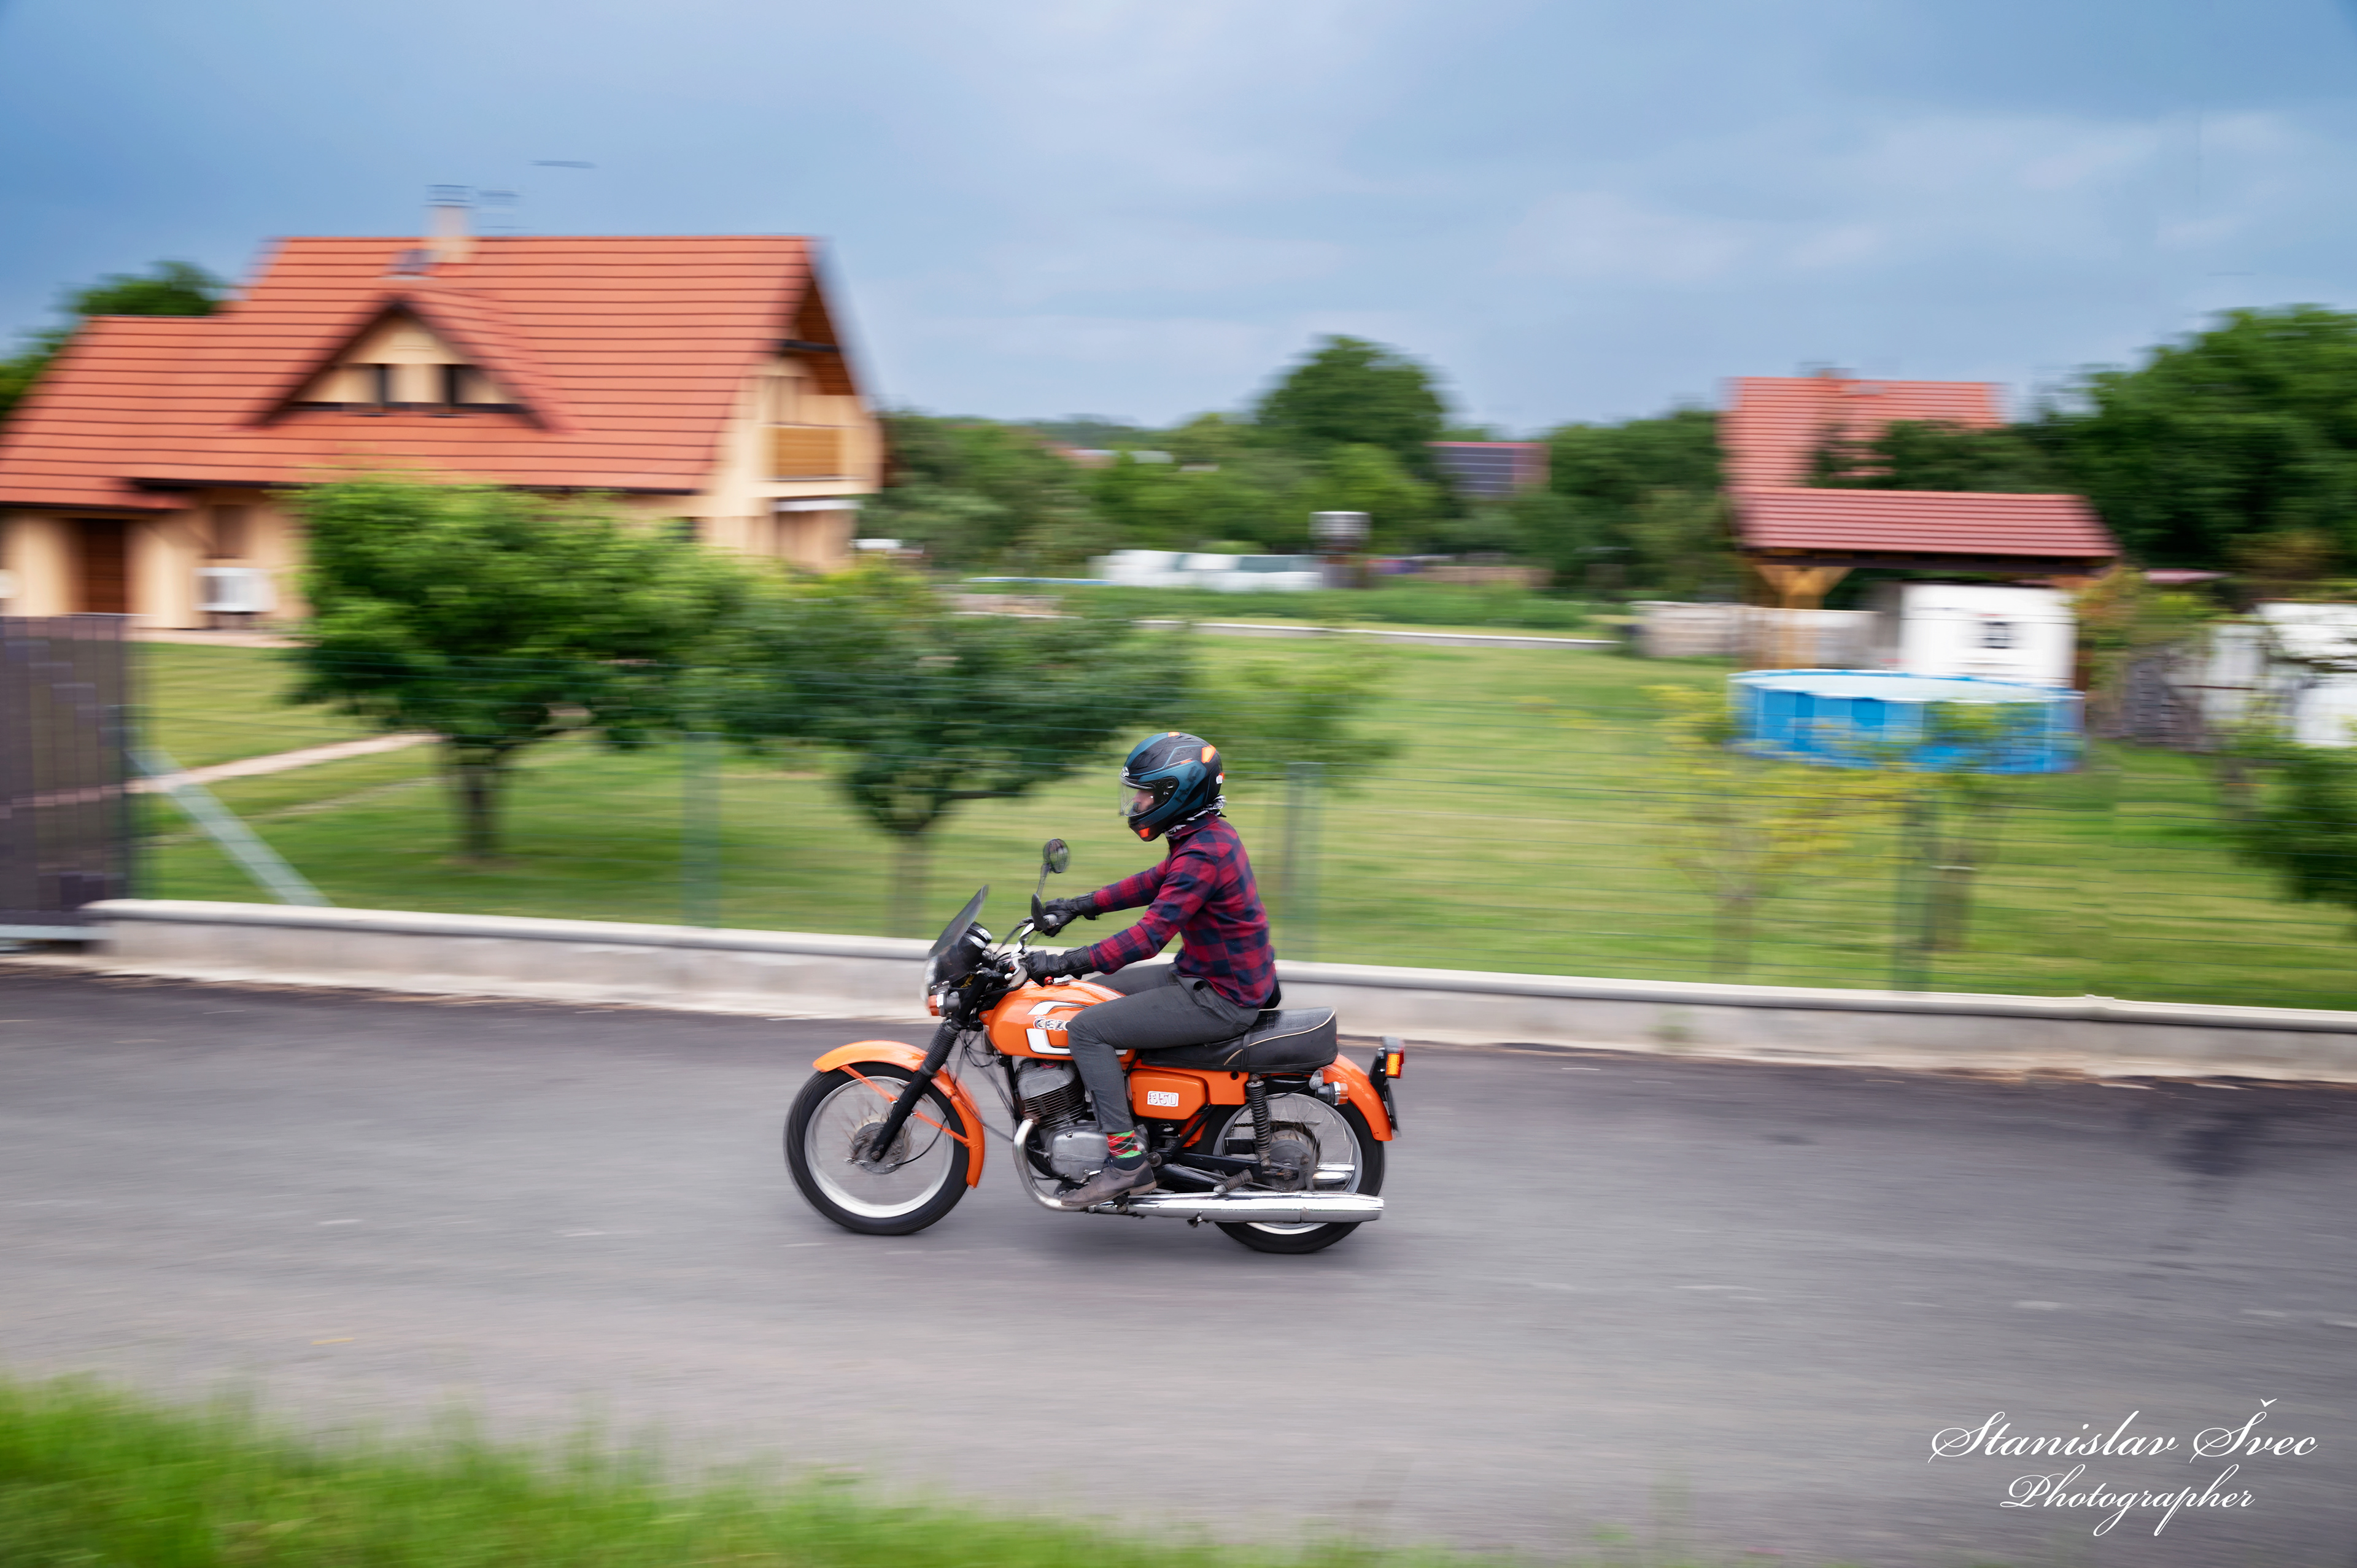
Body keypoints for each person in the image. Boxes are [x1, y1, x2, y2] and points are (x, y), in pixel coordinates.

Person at [1023, 730, 1275, 1208]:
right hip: (1203, 974)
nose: (1136, 803)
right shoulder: (1202, 837)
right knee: (1095, 995)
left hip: (1220, 996)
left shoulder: (1203, 852)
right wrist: (1078, 905)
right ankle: (1127, 1118)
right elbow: (1152, 883)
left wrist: (1065, 963)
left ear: (1176, 793)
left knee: (1087, 1029)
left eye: (1144, 794)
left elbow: (1147, 938)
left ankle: (1126, 1163)